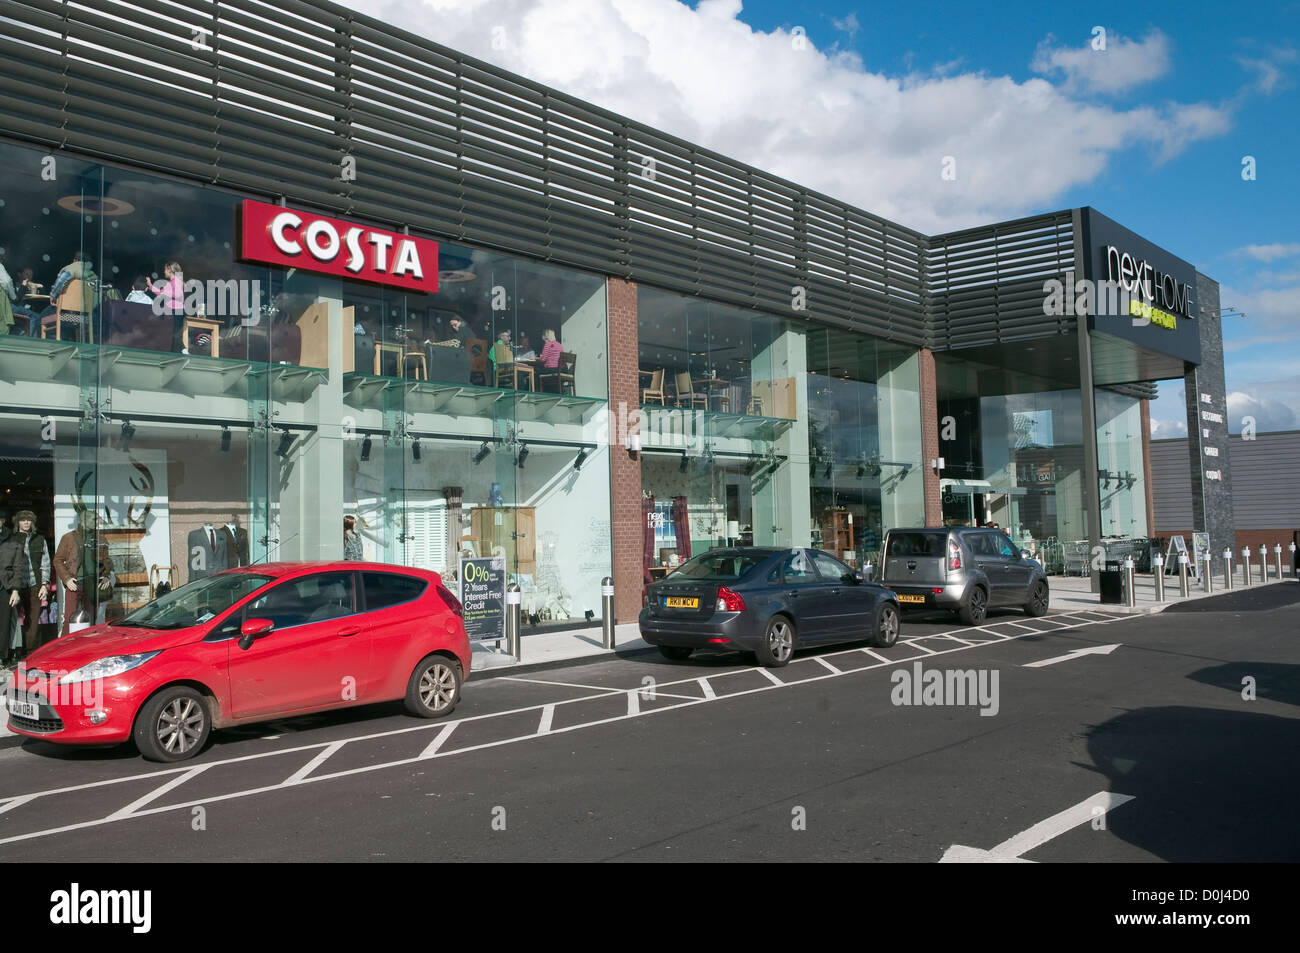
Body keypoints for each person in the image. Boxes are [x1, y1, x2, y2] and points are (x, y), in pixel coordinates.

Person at [0, 510, 52, 661]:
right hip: (13, 585)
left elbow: (46, 564)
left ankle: (30, 653)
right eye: (23, 520)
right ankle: (12, 652)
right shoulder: (10, 538)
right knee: (11, 621)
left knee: (32, 619)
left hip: (34, 583)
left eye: (29, 520)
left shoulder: (39, 539)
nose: (26, 523)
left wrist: (44, 584)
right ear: (18, 523)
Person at [54, 512, 113, 637]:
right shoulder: (69, 538)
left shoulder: (101, 539)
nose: (97, 522)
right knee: (70, 617)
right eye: (94, 519)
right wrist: (67, 579)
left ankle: (86, 647)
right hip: (75, 582)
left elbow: (106, 560)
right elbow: (57, 560)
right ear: (84, 521)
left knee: (91, 617)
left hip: (92, 583)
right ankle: (65, 647)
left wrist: (106, 575)